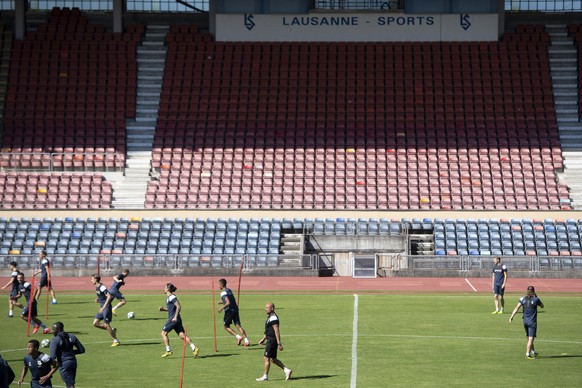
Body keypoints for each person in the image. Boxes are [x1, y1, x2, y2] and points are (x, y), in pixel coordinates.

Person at [159, 283, 200, 358]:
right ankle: (194, 348)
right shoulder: (169, 297)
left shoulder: (171, 297)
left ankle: (168, 351)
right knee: (182, 335)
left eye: (165, 287)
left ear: (168, 289)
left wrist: (175, 317)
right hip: (177, 319)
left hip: (173, 319)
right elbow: (172, 309)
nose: (164, 289)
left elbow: (178, 306)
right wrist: (164, 309)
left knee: (163, 333)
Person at [256, 302, 292, 382]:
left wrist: (279, 343)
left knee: (266, 358)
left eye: (267, 307)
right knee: (272, 359)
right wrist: (263, 338)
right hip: (270, 339)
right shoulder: (270, 317)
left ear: (272, 309)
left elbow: (276, 331)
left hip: (272, 340)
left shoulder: (273, 318)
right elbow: (269, 330)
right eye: (265, 307)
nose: (265, 309)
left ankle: (265, 376)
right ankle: (287, 370)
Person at [509, 285, 544, 359]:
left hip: (525, 321)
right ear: (533, 291)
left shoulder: (522, 299)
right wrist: (536, 296)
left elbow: (517, 307)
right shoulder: (536, 299)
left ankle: (533, 352)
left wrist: (511, 316)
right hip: (532, 322)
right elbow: (542, 306)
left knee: (529, 337)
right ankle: (528, 354)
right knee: (531, 338)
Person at [49, 322, 85, 388]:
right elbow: (82, 350)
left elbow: (52, 357)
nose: (52, 331)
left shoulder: (55, 339)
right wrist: (70, 352)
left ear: (59, 329)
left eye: (54, 329)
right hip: (73, 362)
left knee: (70, 385)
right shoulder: (72, 336)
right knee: (70, 383)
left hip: (64, 364)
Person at [217, 278, 250, 347]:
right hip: (235, 309)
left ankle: (238, 337)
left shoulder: (223, 293)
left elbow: (228, 302)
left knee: (226, 326)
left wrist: (221, 308)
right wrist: (222, 302)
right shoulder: (229, 290)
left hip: (229, 311)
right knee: (238, 325)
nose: (218, 286)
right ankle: (246, 340)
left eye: (218, 284)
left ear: (221, 285)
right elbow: (231, 300)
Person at [91, 274, 120, 347]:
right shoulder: (97, 287)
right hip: (102, 307)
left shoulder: (102, 287)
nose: (91, 280)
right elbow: (103, 296)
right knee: (95, 323)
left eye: (92, 279)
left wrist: (103, 307)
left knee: (107, 325)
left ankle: (116, 340)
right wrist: (98, 299)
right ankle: (112, 330)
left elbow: (109, 296)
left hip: (106, 308)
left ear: (96, 279)